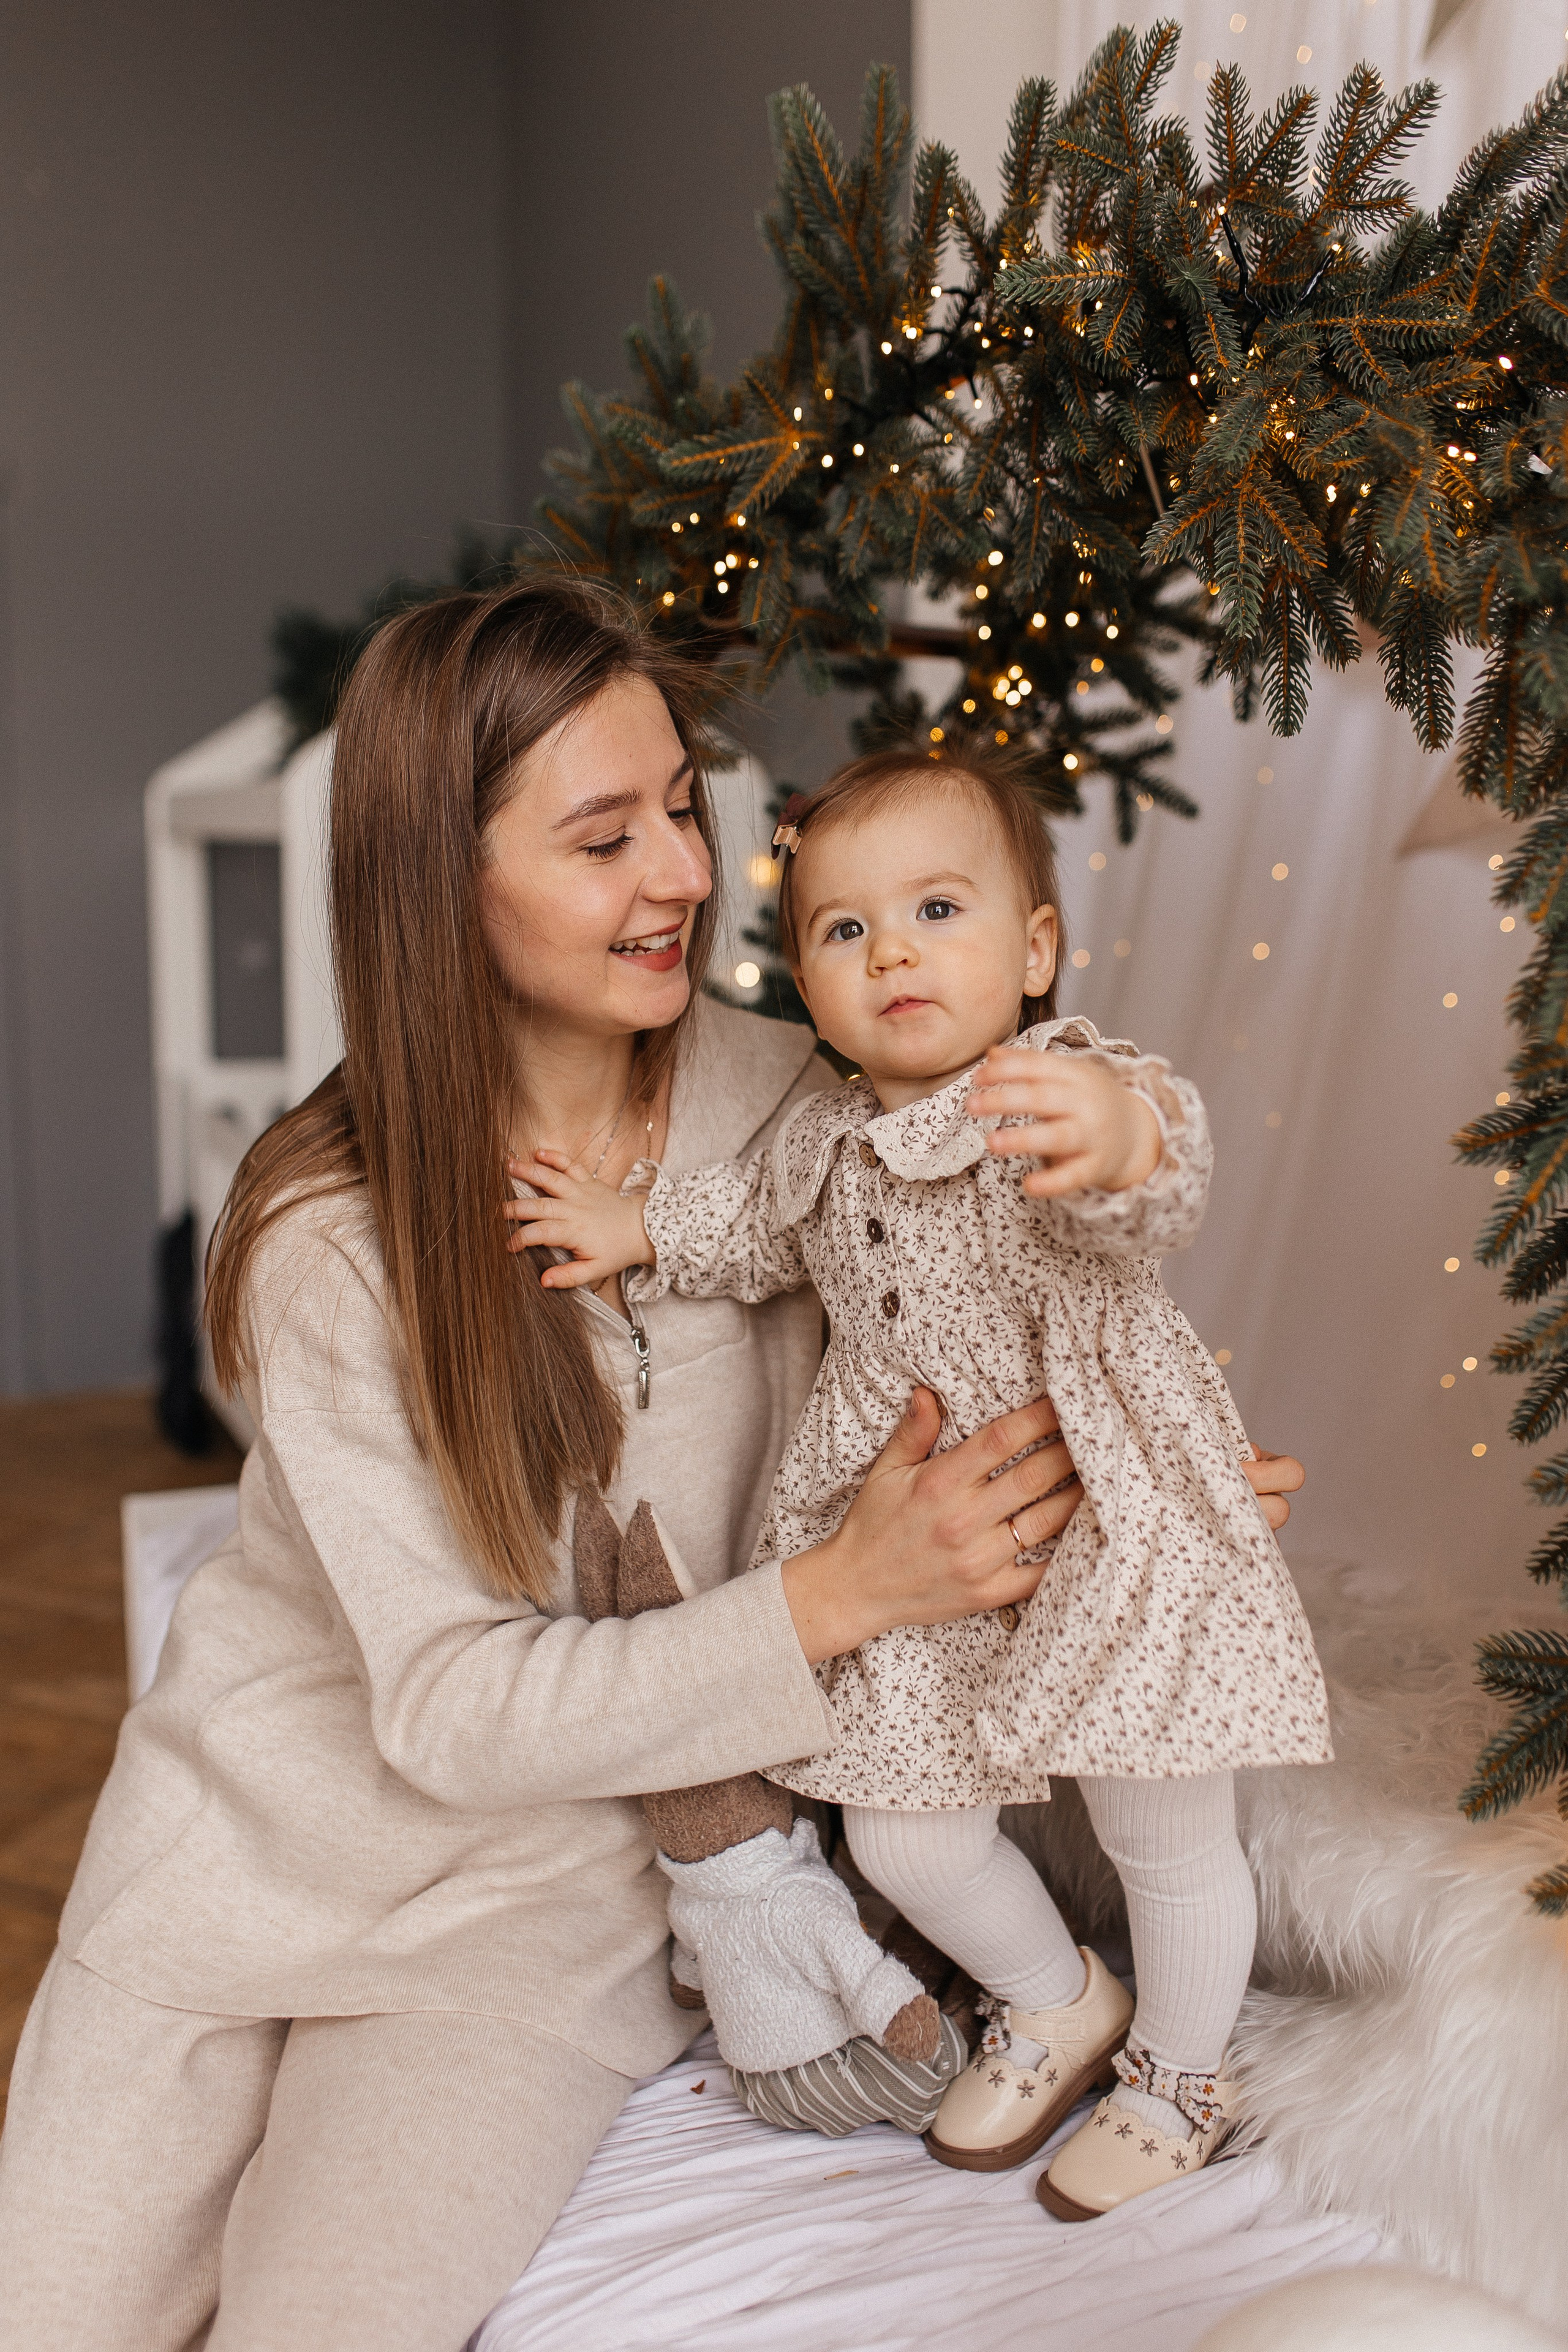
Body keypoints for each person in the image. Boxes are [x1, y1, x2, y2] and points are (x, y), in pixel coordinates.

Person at [0, 582, 1304, 2351]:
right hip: (230, 1875)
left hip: (532, 1930)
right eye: (605, 837)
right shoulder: (330, 1233)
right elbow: (449, 1710)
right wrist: (835, 1596)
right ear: (438, 887)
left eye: (682, 809)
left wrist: (1150, 1487)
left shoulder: (827, 1104)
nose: (687, 876)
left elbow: (1012, 1301)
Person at [508, 744, 1331, 2224]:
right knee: (904, 1830)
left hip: (1106, 1525)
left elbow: (1154, 1159)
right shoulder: (818, 1138)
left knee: (1160, 1825)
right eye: (842, 929)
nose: (890, 949)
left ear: (1031, 949)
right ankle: (1053, 1996)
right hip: (911, 1546)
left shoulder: (1046, 1092)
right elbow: (740, 1227)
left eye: (937, 909)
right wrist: (630, 1225)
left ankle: (1179, 2074)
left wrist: (1117, 1132)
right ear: (805, 984)